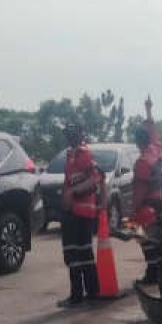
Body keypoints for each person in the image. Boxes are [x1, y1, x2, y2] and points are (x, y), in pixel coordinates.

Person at [57, 124, 102, 307]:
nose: (69, 137)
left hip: (79, 212)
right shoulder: (72, 156)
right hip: (77, 211)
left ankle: (78, 295)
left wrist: (73, 193)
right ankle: (91, 291)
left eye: (70, 134)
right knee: (83, 252)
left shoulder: (83, 154)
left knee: (73, 253)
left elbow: (96, 178)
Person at [131, 96, 162, 284]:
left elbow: (139, 190)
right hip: (160, 204)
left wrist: (133, 211)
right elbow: (153, 130)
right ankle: (160, 271)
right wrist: (148, 110)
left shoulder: (142, 162)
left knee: (145, 242)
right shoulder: (156, 150)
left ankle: (152, 274)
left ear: (138, 142)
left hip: (147, 207)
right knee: (158, 241)